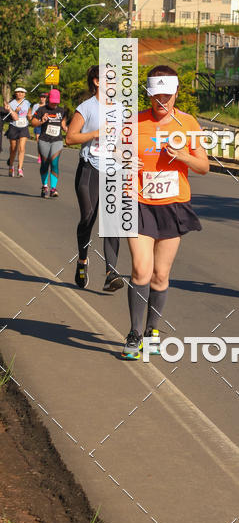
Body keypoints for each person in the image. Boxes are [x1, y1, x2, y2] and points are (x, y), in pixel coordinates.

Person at [121, 65, 209, 360]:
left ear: (176, 93)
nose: (161, 102)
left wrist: (183, 156)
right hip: (138, 202)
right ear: (148, 95)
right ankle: (134, 333)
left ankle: (152, 331)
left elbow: (204, 167)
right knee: (140, 269)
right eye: (156, 96)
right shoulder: (133, 122)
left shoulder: (188, 123)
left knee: (160, 275)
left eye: (167, 96)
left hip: (173, 204)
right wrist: (123, 165)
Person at [65, 65, 123, 293]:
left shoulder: (121, 109)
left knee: (112, 221)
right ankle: (82, 260)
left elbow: (122, 142)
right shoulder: (86, 108)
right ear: (97, 82)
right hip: (90, 168)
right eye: (109, 78)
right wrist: (96, 133)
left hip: (113, 170)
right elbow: (70, 138)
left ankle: (111, 273)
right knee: (88, 217)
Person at [31, 89, 67, 197]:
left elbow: (63, 123)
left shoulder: (62, 111)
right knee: (45, 164)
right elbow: (33, 122)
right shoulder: (41, 109)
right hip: (44, 140)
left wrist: (65, 128)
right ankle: (45, 186)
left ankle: (53, 188)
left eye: (56, 102)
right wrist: (41, 121)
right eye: (52, 101)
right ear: (48, 99)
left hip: (57, 140)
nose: (54, 103)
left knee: (54, 163)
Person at [6, 87, 30, 177]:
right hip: (14, 126)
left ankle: (20, 168)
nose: (20, 94)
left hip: (24, 126)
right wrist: (15, 111)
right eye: (18, 92)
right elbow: (9, 117)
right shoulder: (11, 103)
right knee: (13, 148)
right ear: (15, 93)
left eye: (22, 92)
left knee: (22, 148)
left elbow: (29, 112)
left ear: (25, 94)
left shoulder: (27, 102)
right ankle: (11, 166)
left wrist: (30, 116)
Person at [29, 91, 48, 163]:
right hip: (38, 124)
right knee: (38, 140)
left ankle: (45, 155)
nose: (42, 98)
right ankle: (39, 156)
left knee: (45, 141)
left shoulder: (47, 106)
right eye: (41, 97)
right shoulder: (36, 106)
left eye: (44, 97)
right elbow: (33, 115)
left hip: (45, 125)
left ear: (46, 98)